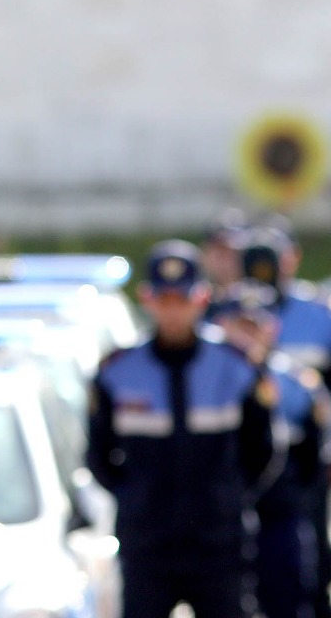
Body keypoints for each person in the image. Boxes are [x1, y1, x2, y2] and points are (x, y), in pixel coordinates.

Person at [87, 240, 278, 618]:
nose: (173, 311)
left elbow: (263, 450)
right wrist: (136, 498)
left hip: (219, 546)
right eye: (164, 300)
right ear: (147, 299)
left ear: (202, 298)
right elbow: (99, 456)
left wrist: (229, 498)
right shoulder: (117, 373)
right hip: (147, 547)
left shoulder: (237, 367)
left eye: (182, 300)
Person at [214, 285, 328, 618]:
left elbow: (311, 454)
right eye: (240, 325)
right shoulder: (207, 378)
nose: (248, 335)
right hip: (221, 513)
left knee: (289, 597)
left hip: (280, 510)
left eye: (255, 325)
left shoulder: (295, 382)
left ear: (272, 328)